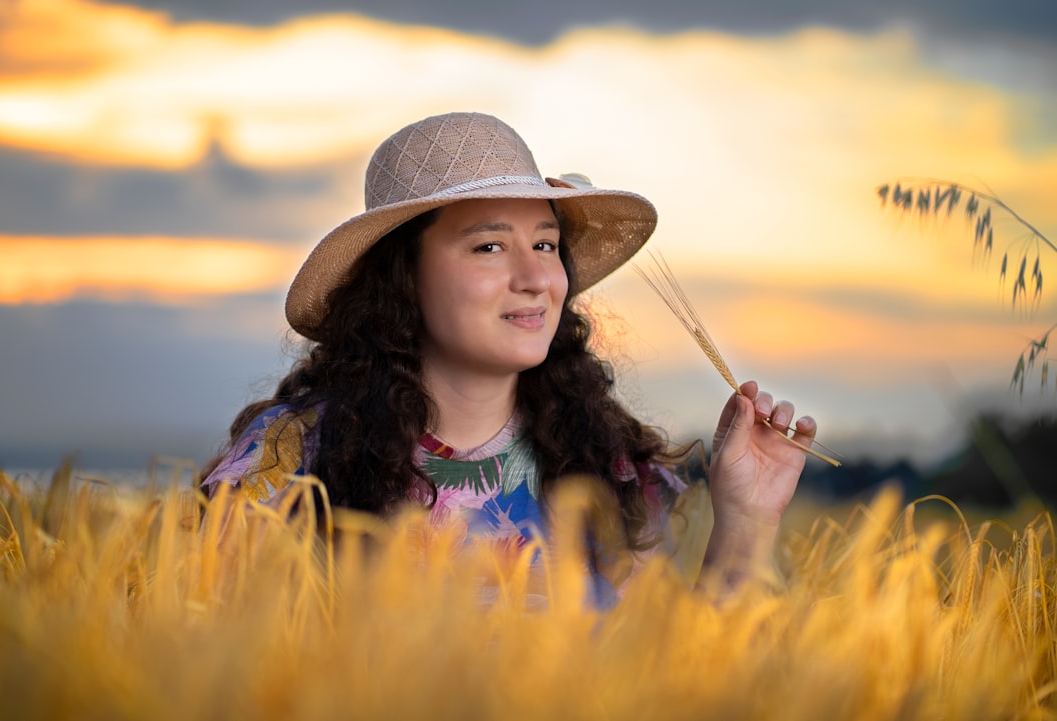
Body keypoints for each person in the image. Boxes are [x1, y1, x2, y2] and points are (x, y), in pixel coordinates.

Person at [200, 111, 816, 604]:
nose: (534, 277)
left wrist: (747, 519)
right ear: (403, 276)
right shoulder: (288, 463)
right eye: (489, 245)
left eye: (546, 244)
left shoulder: (602, 461)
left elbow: (676, 681)